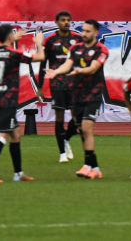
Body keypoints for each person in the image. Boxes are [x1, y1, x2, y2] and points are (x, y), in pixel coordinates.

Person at [0, 24, 45, 183]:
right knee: (3, 135)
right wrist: (39, 43)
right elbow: (39, 57)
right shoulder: (13, 54)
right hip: (8, 98)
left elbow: (3, 45)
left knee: (15, 135)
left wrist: (12, 37)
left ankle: (18, 173)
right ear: (9, 37)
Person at [45, 18, 110, 179]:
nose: (85, 34)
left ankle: (87, 166)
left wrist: (79, 71)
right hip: (77, 95)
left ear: (96, 33)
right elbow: (68, 64)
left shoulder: (101, 49)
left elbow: (93, 68)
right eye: (83, 31)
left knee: (87, 128)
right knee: (82, 131)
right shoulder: (75, 48)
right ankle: (95, 168)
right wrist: (57, 72)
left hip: (93, 94)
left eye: (88, 31)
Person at [41, 10, 80, 160]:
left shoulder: (77, 38)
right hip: (57, 83)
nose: (66, 23)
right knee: (59, 116)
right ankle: (62, 154)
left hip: (74, 83)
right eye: (63, 20)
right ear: (57, 22)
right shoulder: (50, 40)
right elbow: (43, 64)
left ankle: (65, 139)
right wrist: (39, 86)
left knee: (77, 116)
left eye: (68, 20)